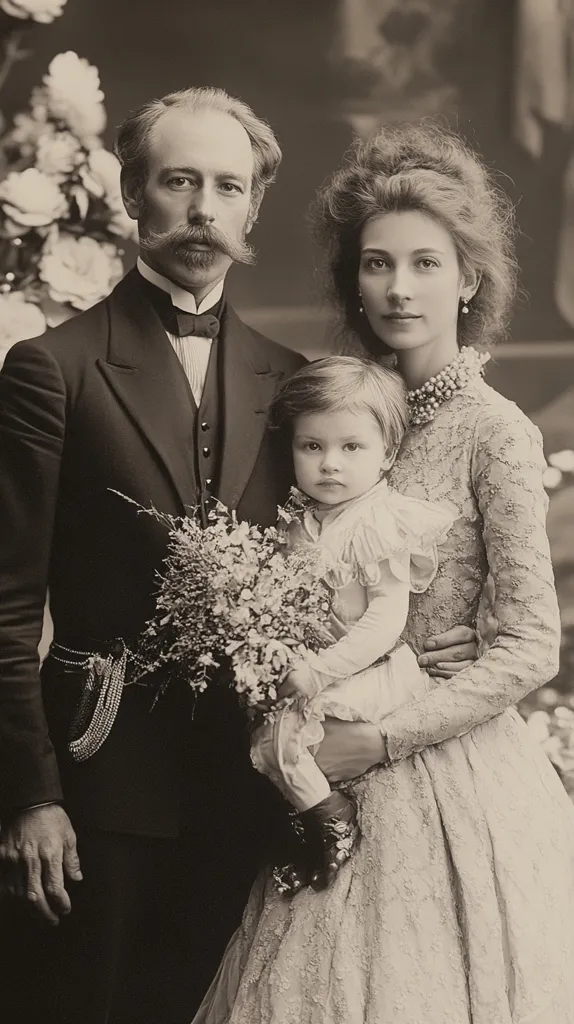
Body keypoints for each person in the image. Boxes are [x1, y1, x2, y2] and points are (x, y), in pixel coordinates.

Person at [0, 90, 475, 1024]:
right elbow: (8, 605)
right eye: (179, 181)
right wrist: (28, 798)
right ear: (135, 193)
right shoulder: (52, 367)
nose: (203, 209)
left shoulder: (297, 383)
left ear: (254, 208)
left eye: (229, 186)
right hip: (98, 789)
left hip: (243, 791)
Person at [191, 122, 574, 1024]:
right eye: (375, 264)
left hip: (443, 769)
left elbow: (528, 648)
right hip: (316, 750)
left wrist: (384, 739)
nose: (398, 288)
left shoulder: (495, 433)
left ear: (469, 278)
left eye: (425, 264)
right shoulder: (333, 409)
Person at [251, 356, 455, 895]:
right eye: (311, 447)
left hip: (366, 671)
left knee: (290, 748)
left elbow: (384, 622)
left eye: (351, 447)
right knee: (268, 749)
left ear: (388, 454)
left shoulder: (377, 523)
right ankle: (319, 822)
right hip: (316, 667)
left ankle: (332, 824)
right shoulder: (300, 525)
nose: (329, 465)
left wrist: (316, 672)